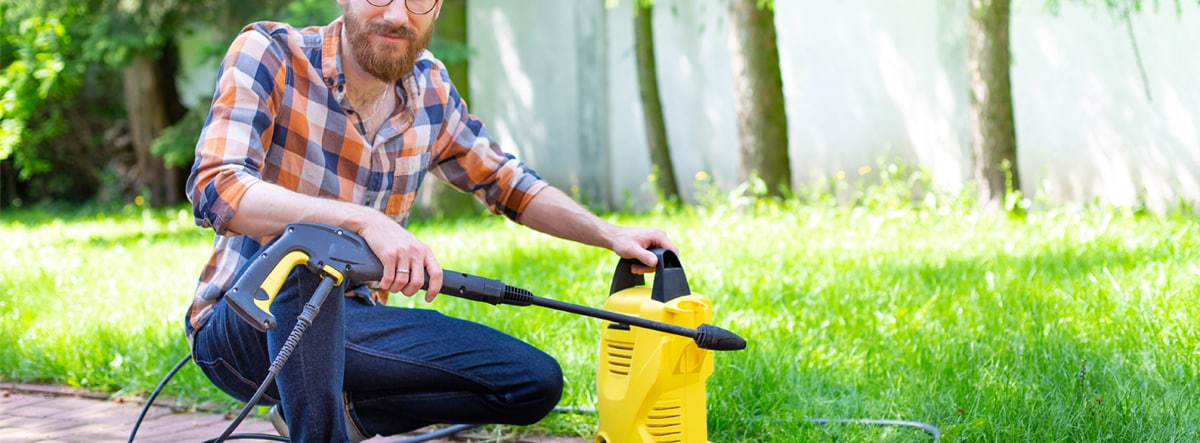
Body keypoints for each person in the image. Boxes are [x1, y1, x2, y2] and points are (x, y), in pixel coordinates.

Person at [184, 0, 676, 441]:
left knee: (531, 382)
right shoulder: (270, 53)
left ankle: (342, 416)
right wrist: (360, 222)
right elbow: (216, 186)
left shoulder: (430, 89)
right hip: (246, 326)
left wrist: (611, 235)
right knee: (312, 249)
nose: (397, 14)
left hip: (355, 324)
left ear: (436, 8)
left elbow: (507, 182)